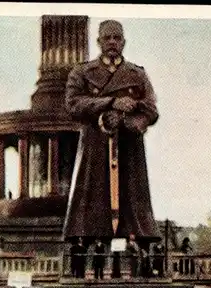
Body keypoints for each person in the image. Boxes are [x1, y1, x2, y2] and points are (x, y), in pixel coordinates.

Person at [64, 20, 161, 242]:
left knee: (134, 200)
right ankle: (87, 251)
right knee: (92, 199)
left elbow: (151, 109)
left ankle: (139, 249)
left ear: (124, 42)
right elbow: (73, 104)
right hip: (95, 143)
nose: (112, 42)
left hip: (129, 147)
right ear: (98, 41)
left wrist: (134, 119)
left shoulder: (137, 74)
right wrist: (110, 102)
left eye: (117, 38)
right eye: (107, 38)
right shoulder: (81, 72)